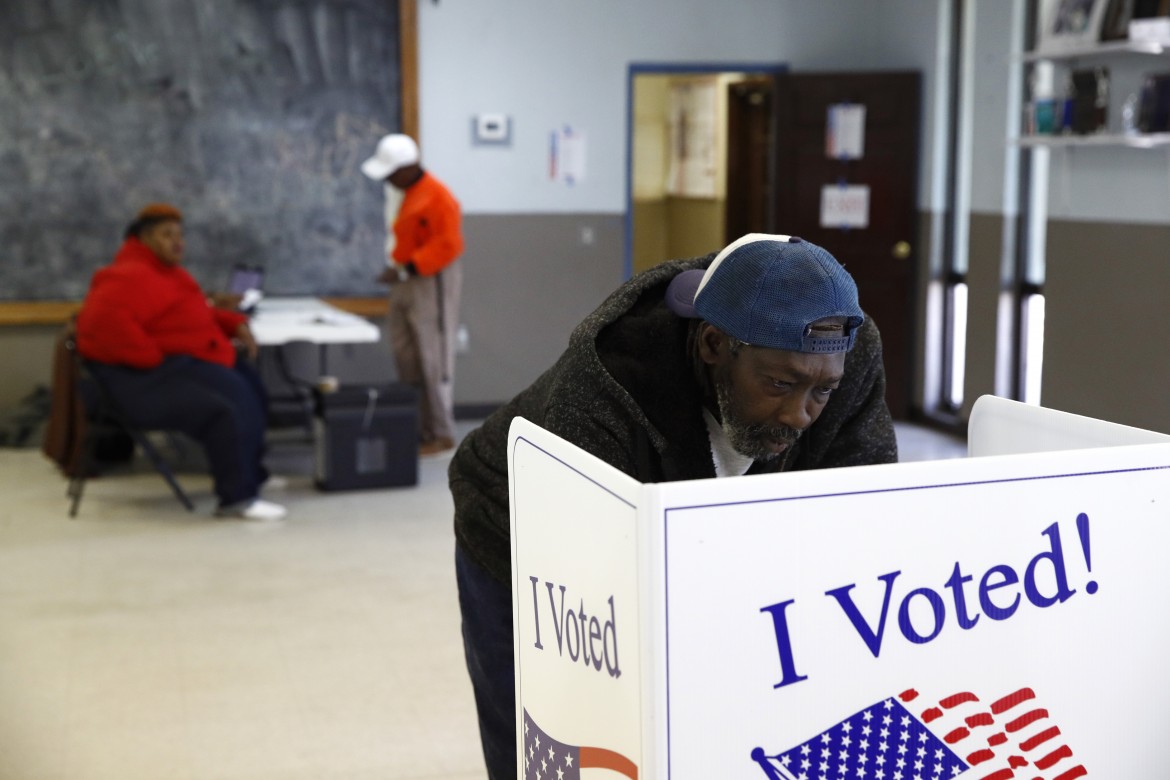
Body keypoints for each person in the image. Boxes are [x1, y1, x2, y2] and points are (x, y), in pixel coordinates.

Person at [448, 233, 898, 780]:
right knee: (548, 739)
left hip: (685, 535)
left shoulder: (842, 350)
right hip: (514, 527)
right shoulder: (608, 386)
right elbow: (607, 589)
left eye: (821, 392)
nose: (802, 414)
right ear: (713, 345)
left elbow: (860, 510)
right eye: (780, 384)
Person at [74, 203, 286, 520]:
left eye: (180, 235)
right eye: (166, 235)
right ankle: (237, 499)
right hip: (142, 380)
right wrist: (153, 358)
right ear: (144, 239)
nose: (178, 242)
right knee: (224, 407)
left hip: (183, 364)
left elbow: (195, 311)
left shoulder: (167, 274)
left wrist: (232, 323)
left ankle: (251, 476)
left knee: (251, 388)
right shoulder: (125, 277)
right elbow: (98, 328)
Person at [361, 133, 464, 457]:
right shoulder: (404, 192)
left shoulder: (438, 196)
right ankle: (419, 428)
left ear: (409, 167)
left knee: (432, 356)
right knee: (406, 354)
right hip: (404, 278)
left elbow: (448, 245)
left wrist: (408, 269)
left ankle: (441, 432)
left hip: (428, 279)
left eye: (392, 172)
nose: (388, 179)